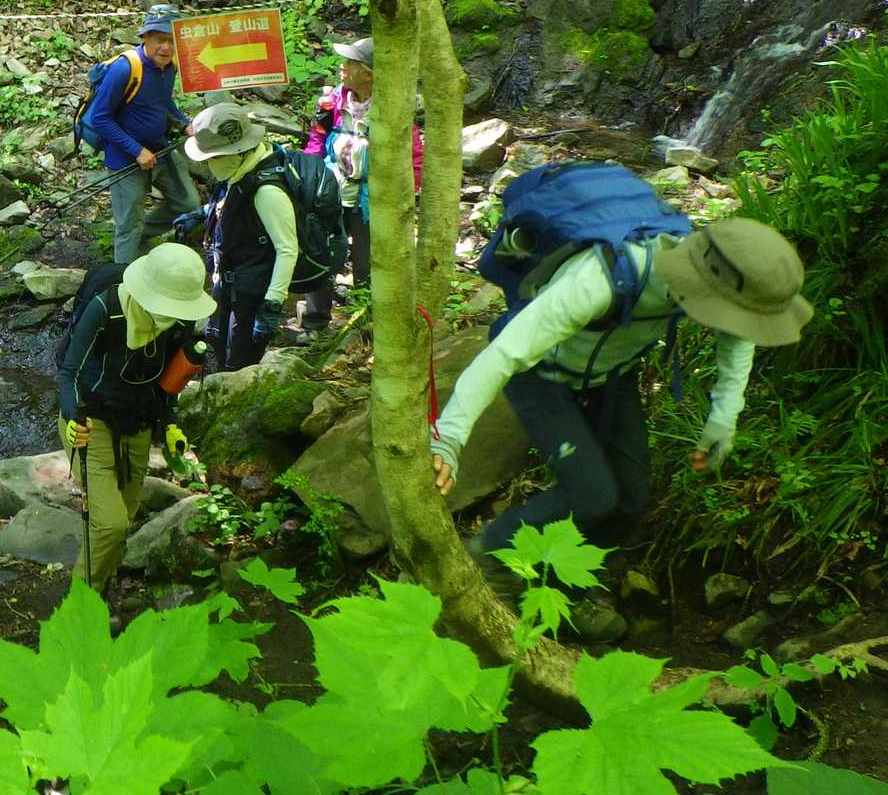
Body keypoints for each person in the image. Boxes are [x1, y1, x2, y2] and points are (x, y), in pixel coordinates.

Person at [429, 218, 811, 641]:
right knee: (591, 495)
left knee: (629, 500)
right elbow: (504, 354)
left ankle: (566, 590)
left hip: (611, 371)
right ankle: (489, 556)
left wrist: (723, 417)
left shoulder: (709, 278)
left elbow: (738, 335)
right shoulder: (599, 279)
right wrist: (449, 438)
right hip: (541, 372)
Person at [57, 243, 215, 594]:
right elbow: (69, 373)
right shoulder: (106, 309)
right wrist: (72, 417)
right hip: (92, 421)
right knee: (110, 524)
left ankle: (103, 586)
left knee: (126, 516)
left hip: (139, 420)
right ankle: (79, 606)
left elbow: (168, 383)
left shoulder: (181, 320)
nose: (172, 315)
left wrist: (170, 424)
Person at [299, 37, 421, 338]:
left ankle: (366, 321)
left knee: (368, 261)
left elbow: (413, 154)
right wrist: (308, 175)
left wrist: (409, 191)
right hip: (331, 190)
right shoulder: (331, 102)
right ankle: (315, 324)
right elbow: (317, 139)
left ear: (369, 73)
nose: (342, 67)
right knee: (320, 252)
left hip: (372, 198)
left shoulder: (392, 106)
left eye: (350, 63)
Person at [179, 103, 299, 372]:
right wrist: (203, 213)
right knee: (218, 342)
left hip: (252, 294)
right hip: (229, 281)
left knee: (239, 360)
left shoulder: (268, 192)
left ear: (237, 151)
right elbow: (234, 205)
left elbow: (288, 249)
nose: (209, 164)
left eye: (213, 157)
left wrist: (272, 304)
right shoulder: (240, 172)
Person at [88, 4, 198, 263]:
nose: (166, 48)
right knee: (128, 224)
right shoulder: (125, 69)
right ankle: (121, 279)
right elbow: (100, 118)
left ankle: (144, 233)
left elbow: (163, 102)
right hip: (125, 158)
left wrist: (184, 124)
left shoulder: (168, 67)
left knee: (188, 204)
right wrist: (136, 151)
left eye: (172, 41)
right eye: (160, 39)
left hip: (160, 149)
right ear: (145, 37)